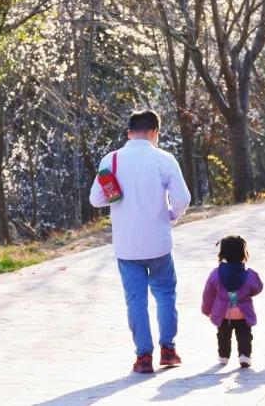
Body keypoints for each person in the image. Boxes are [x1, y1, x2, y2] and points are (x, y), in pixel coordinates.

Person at [90, 110, 192, 374]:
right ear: (155, 133)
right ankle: (168, 350)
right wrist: (171, 216)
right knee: (166, 295)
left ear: (129, 133)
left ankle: (143, 357)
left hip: (127, 246)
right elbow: (182, 198)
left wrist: (117, 195)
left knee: (135, 301)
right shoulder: (164, 159)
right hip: (158, 243)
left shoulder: (110, 160)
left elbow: (96, 200)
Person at [201, 235, 264, 368]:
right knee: (244, 334)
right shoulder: (250, 274)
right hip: (242, 312)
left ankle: (223, 356)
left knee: (223, 335)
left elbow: (208, 294)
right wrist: (247, 293)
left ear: (222, 253)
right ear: (243, 253)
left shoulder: (216, 273)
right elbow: (258, 288)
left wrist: (206, 310)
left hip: (223, 312)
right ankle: (245, 355)